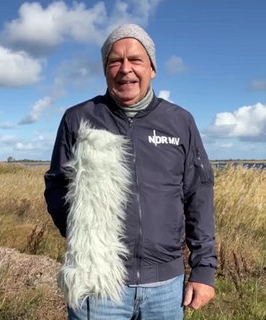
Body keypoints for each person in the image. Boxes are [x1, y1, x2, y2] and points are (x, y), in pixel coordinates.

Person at [44, 23, 217, 319]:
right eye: (115, 61)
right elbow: (57, 185)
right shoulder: (79, 118)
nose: (125, 69)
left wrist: (203, 270)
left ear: (151, 68)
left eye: (135, 59)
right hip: (97, 286)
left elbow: (198, 194)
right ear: (105, 70)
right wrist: (82, 235)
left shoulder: (180, 122)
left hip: (165, 286)